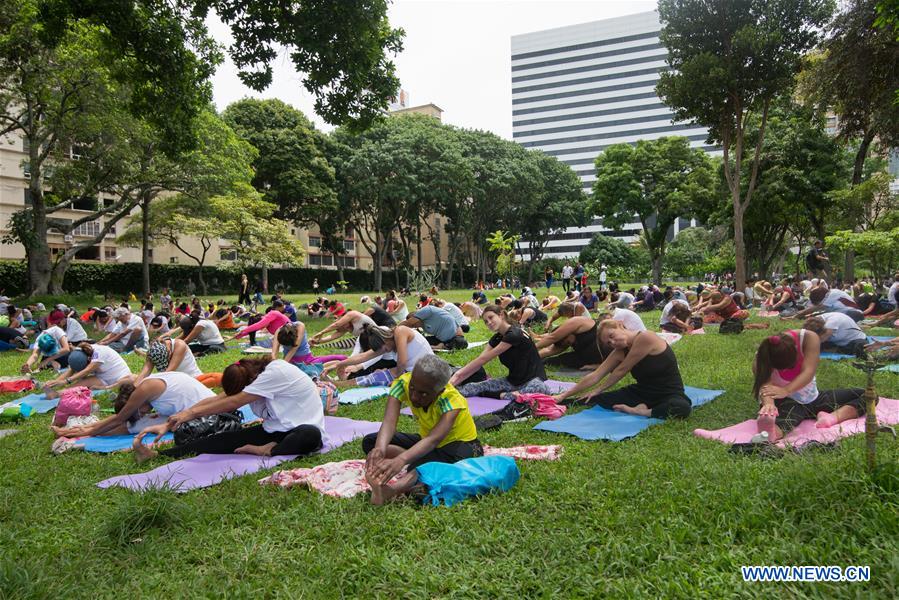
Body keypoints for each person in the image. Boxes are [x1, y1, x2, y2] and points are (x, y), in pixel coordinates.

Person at [133, 357, 326, 462]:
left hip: (299, 431)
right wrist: (171, 422)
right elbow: (219, 398)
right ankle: (158, 456)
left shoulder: (276, 372)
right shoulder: (252, 377)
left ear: (249, 382)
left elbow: (233, 403)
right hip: (275, 430)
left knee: (311, 435)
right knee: (219, 440)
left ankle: (268, 451)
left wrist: (189, 414)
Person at [361, 355, 481, 505]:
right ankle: (415, 460)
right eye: (412, 388)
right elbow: (389, 422)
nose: (414, 396)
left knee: (423, 468)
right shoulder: (402, 383)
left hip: (460, 445)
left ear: (439, 391)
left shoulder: (451, 399)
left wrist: (401, 460)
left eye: (423, 393)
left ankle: (392, 490)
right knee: (372, 442)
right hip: (427, 442)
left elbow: (434, 439)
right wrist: (379, 449)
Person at [553, 320, 691, 419]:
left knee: (681, 407)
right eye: (608, 343)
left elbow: (622, 370)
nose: (613, 343)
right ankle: (553, 403)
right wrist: (562, 396)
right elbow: (596, 375)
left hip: (668, 393)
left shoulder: (645, 337)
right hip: (641, 393)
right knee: (595, 399)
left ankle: (642, 412)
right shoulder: (620, 351)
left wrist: (598, 389)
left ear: (620, 325)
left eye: (612, 336)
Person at [752, 331, 866, 443]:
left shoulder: (809, 338)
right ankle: (771, 432)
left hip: (813, 398)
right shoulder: (763, 356)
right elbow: (765, 385)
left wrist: (786, 389)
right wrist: (769, 405)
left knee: (867, 395)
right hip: (789, 402)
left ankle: (832, 417)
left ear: (796, 350)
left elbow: (809, 372)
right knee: (785, 422)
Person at [51, 371, 216, 439]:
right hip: (201, 408)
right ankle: (81, 430)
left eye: (138, 411)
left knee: (136, 424)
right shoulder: (145, 386)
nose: (142, 413)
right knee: (136, 421)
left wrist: (89, 432)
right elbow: (120, 417)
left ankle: (79, 432)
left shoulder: (145, 389)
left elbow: (120, 419)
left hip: (208, 414)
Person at [449, 305, 549, 402]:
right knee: (473, 386)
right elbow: (479, 361)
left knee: (536, 390)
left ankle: (501, 395)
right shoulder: (497, 338)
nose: (489, 322)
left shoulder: (514, 334)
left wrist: (457, 376)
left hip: (533, 381)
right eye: (486, 321)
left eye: (491, 317)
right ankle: (447, 392)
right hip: (513, 381)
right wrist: (452, 382)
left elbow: (483, 360)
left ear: (501, 315)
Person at [324, 324, 433, 387]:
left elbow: (402, 362)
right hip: (413, 371)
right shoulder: (388, 342)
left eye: (385, 348)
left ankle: (338, 384)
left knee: (378, 375)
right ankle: (338, 384)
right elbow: (363, 356)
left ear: (385, 338)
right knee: (374, 376)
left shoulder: (401, 331)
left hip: (427, 370)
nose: (387, 350)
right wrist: (339, 365)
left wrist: (397, 380)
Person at [41, 342, 133, 395]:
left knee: (129, 380)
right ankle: (56, 394)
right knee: (75, 386)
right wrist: (55, 382)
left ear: (88, 360)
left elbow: (87, 370)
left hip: (119, 377)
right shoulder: (81, 352)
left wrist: (65, 381)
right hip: (102, 378)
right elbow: (71, 370)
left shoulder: (99, 353)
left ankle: (106, 388)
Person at [535, 315, 605, 370]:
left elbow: (553, 337)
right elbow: (549, 350)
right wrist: (531, 356)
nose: (570, 343)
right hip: (585, 359)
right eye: (568, 344)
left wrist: (532, 347)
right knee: (550, 361)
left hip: (607, 353)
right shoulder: (566, 340)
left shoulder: (578, 322)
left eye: (567, 341)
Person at [272, 322, 345, 367]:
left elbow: (293, 349)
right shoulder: (279, 331)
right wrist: (274, 365)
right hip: (290, 361)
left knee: (341, 358)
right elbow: (274, 353)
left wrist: (283, 365)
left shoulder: (300, 326)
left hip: (306, 359)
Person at [133, 338, 203, 385]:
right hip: (175, 382)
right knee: (132, 379)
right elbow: (144, 374)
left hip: (194, 380)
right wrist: (132, 390)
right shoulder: (154, 351)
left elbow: (167, 374)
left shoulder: (179, 345)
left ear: (169, 352)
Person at [399, 305, 467, 350]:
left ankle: (442, 346)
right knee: (422, 341)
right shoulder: (424, 326)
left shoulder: (427, 310)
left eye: (413, 323)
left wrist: (396, 329)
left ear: (417, 316)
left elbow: (407, 323)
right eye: (413, 326)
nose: (413, 325)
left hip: (455, 336)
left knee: (461, 343)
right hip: (441, 340)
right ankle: (443, 345)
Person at [802, 314, 867, 356]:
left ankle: (837, 349)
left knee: (861, 348)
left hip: (853, 340)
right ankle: (835, 349)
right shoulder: (815, 321)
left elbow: (819, 340)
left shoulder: (831, 324)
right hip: (836, 341)